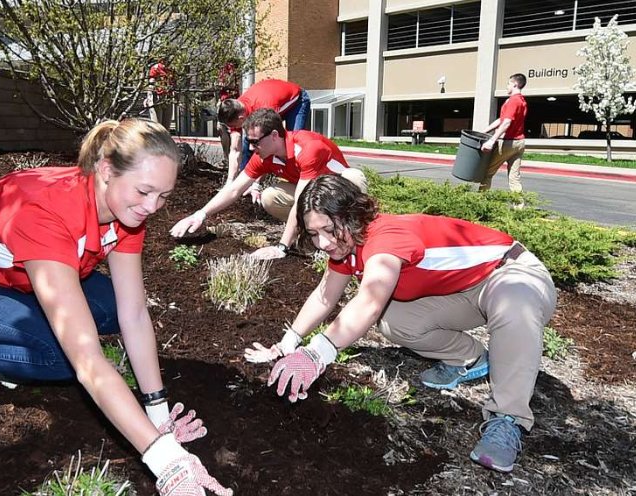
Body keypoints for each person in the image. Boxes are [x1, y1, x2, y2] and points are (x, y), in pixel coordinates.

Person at [0, 119, 232, 496]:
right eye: (144, 191)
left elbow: (133, 312)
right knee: (60, 357)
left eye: (164, 196)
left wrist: (158, 415)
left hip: (13, 280)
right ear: (106, 170)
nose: (152, 207)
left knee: (107, 307)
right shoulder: (46, 213)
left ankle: (14, 346)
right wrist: (165, 460)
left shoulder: (125, 211)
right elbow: (87, 358)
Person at [248, 174, 556, 474]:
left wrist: (317, 354)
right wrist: (287, 344)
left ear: (352, 215)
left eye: (328, 229)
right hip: (459, 293)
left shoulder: (385, 237)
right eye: (314, 234)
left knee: (514, 301)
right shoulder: (344, 247)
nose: (323, 242)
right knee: (395, 321)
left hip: (509, 274)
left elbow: (368, 301)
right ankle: (471, 358)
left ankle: (508, 418)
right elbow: (325, 298)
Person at [170, 109, 366, 260]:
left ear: (274, 135)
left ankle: (354, 238)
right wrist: (200, 214)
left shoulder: (307, 149)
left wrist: (281, 247)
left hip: (337, 190)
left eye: (255, 142)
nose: (252, 148)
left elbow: (300, 202)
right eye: (249, 142)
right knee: (270, 197)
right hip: (312, 194)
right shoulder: (264, 156)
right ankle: (312, 234)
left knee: (354, 177)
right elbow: (235, 189)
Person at [217, 78, 311, 186]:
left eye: (233, 126)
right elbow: (235, 150)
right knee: (247, 144)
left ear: (241, 118)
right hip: (272, 100)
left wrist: (256, 184)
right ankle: (243, 181)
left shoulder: (264, 108)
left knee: (291, 144)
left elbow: (270, 146)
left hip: (296, 101)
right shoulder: (236, 109)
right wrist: (230, 182)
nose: (232, 129)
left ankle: (296, 181)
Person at [479, 73, 528, 202]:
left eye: (508, 84)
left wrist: (491, 140)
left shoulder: (513, 101)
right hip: (519, 143)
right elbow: (502, 119)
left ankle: (479, 202)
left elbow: (506, 122)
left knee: (487, 173)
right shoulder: (522, 101)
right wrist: (484, 131)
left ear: (515, 84)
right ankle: (519, 208)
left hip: (508, 143)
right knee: (514, 178)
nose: (506, 86)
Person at [144, 60, 175, 132]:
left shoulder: (171, 70)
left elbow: (173, 84)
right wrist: (149, 98)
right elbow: (151, 84)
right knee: (157, 126)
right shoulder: (155, 68)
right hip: (157, 97)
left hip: (168, 98)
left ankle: (165, 141)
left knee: (166, 128)